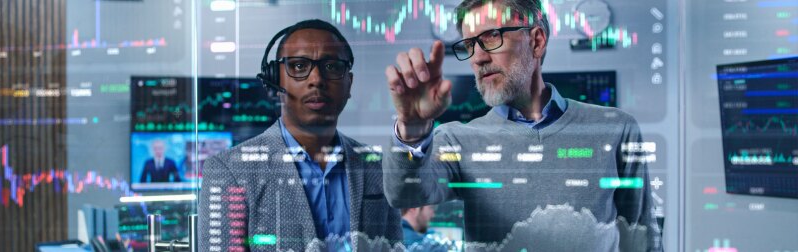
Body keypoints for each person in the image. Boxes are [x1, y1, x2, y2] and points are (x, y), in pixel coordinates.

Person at [382, 0, 662, 250]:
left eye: (492, 37)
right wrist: (412, 129)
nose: (478, 57)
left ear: (537, 41)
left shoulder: (615, 129)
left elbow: (642, 240)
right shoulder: (457, 139)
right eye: (470, 45)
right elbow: (404, 193)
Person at [198, 19, 402, 251]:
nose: (316, 80)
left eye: (332, 66)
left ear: (349, 83)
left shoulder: (377, 167)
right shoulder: (229, 172)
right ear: (275, 80)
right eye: (298, 66)